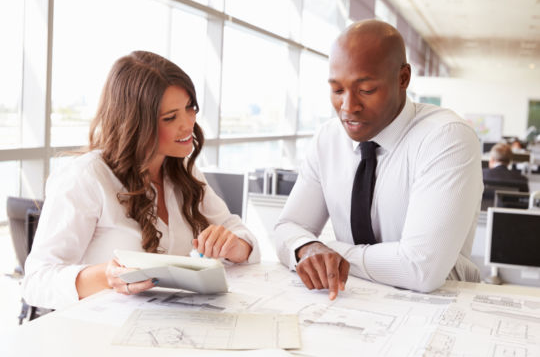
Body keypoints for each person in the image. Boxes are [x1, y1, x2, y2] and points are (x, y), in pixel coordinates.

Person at [23, 51, 260, 309]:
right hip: (104, 334)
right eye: (170, 117)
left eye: (190, 108)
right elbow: (36, 281)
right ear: (136, 123)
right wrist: (106, 276)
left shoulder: (184, 173)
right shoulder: (86, 177)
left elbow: (240, 234)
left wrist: (233, 246)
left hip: (172, 331)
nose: (188, 124)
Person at [273, 19, 483, 300]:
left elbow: (421, 268)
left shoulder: (447, 137)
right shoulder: (328, 139)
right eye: (337, 90)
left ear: (403, 78)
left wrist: (329, 249)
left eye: (366, 90)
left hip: (433, 307)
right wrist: (307, 248)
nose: (348, 107)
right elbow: (286, 228)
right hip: (350, 300)